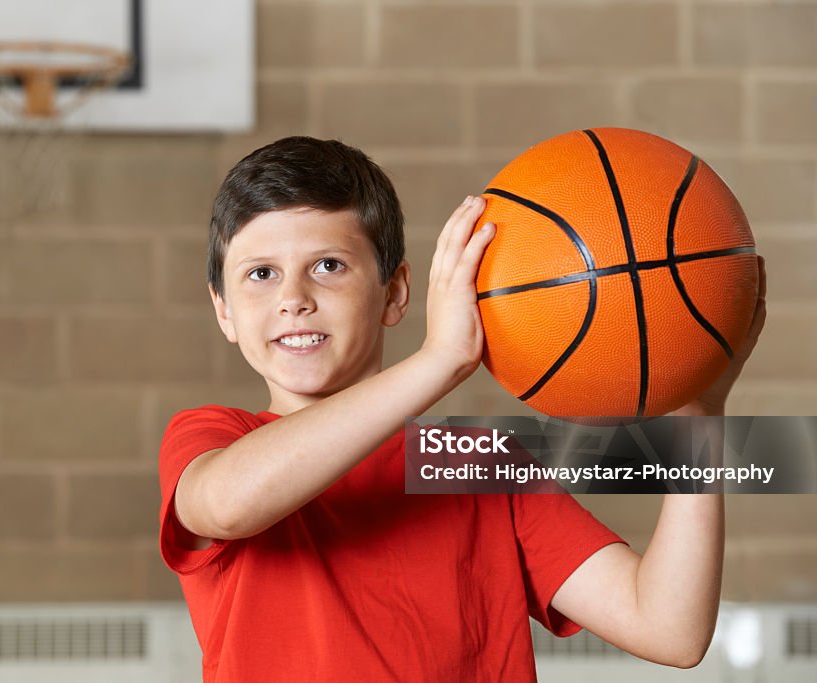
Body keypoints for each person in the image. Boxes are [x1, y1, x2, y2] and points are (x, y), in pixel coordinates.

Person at [157, 136, 766, 681]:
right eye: (261, 274)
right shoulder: (214, 438)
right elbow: (230, 506)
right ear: (225, 312)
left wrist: (698, 418)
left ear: (394, 293)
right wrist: (439, 360)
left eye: (328, 266)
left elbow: (670, 630)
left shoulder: (476, 461)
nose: (294, 300)